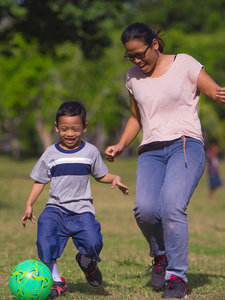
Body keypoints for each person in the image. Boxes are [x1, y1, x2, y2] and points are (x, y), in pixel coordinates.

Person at [105, 22, 225, 299]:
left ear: (155, 45)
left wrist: (218, 93)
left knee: (172, 206)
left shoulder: (183, 63)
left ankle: (177, 278)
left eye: (140, 54)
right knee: (145, 210)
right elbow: (136, 117)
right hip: (150, 150)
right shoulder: (132, 77)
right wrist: (120, 145)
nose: (137, 60)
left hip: (185, 145)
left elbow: (209, 87)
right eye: (130, 56)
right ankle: (160, 254)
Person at [21, 101, 129, 298]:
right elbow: (40, 180)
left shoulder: (91, 152)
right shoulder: (50, 153)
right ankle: (55, 281)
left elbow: (99, 175)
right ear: (56, 127)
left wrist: (115, 178)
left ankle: (86, 262)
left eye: (75, 129)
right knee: (45, 236)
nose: (69, 133)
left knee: (94, 242)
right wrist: (29, 204)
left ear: (84, 127)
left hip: (82, 210)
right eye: (64, 129)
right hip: (56, 209)